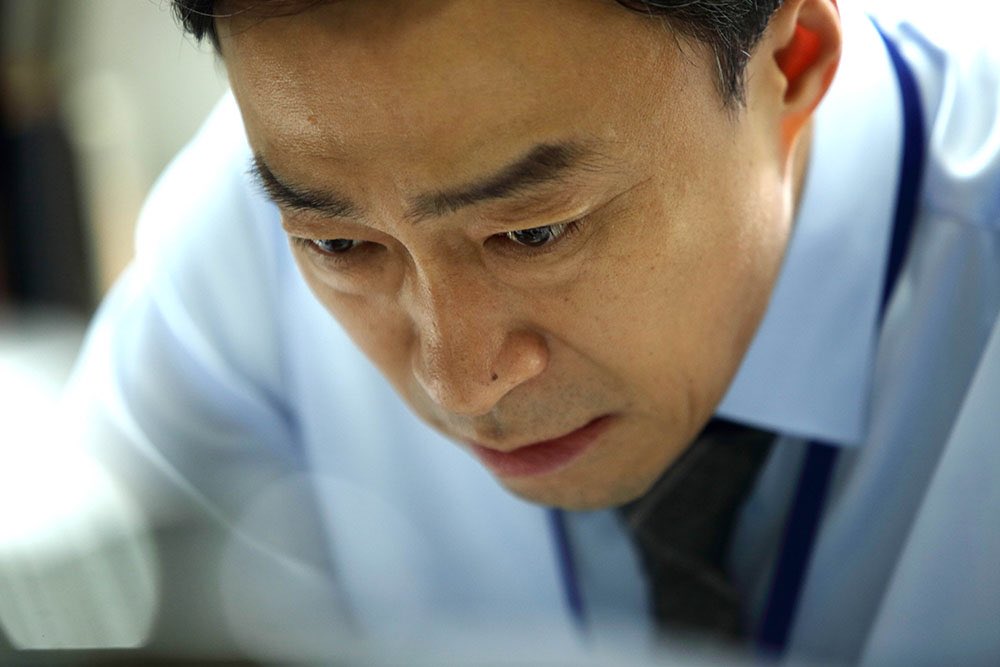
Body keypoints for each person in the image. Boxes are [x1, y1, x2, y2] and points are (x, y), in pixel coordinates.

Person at [20, 0, 998, 664]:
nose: (458, 380)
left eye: (534, 232)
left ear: (791, 61)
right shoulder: (244, 223)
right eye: (341, 247)